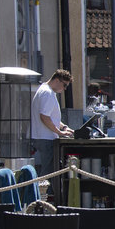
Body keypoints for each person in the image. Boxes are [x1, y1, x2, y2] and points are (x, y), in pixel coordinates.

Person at [31, 69, 74, 203]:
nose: (64, 89)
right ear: (56, 80)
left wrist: (63, 127)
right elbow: (44, 117)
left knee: (48, 170)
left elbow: (51, 117)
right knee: (48, 171)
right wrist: (59, 132)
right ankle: (43, 201)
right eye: (64, 85)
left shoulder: (44, 90)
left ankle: (44, 199)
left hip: (43, 136)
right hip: (46, 138)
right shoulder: (48, 93)